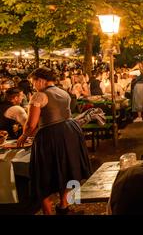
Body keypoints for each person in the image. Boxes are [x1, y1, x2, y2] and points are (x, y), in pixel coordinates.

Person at [16, 67, 91, 215]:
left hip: (50, 136)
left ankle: (48, 212)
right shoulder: (64, 92)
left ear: (41, 80)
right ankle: (64, 206)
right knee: (68, 169)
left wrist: (23, 136)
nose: (33, 86)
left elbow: (31, 124)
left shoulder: (39, 96)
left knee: (44, 174)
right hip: (70, 132)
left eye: (34, 82)